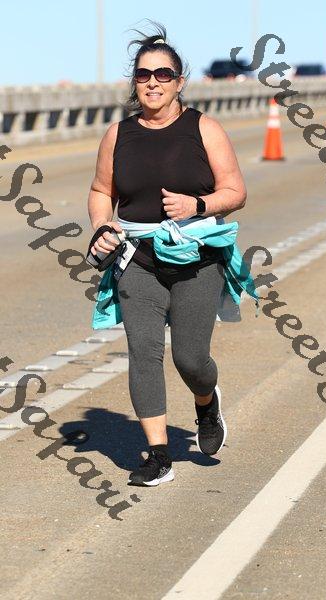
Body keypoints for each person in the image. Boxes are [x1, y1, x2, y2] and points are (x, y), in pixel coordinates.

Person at [87, 22, 248, 487]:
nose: (152, 82)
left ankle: (206, 403)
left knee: (190, 359)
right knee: (143, 351)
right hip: (137, 258)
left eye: (163, 74)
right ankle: (159, 455)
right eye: (143, 75)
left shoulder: (204, 128)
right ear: (135, 82)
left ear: (180, 82)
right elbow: (101, 190)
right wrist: (102, 226)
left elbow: (235, 192)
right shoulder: (118, 134)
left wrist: (197, 205)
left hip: (197, 256)